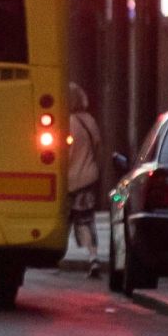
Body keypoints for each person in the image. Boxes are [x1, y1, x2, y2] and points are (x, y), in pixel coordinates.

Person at [67, 82, 103, 277]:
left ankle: (56, 254)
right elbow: (98, 148)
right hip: (89, 177)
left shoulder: (67, 123)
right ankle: (93, 257)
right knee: (87, 219)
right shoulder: (90, 121)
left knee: (65, 218)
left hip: (70, 179)